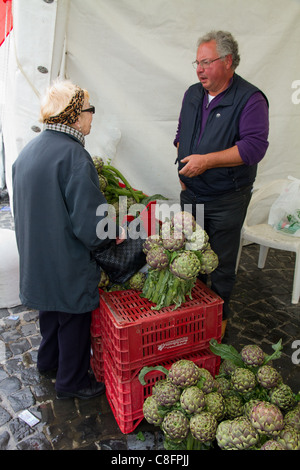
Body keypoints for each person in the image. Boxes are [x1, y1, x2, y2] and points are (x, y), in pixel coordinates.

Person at [12, 79, 125, 399]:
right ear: (74, 116)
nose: (93, 116)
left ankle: (48, 363)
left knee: (49, 311)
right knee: (74, 319)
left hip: (38, 255)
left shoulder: (30, 150)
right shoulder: (74, 157)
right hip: (66, 259)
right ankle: (71, 382)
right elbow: (90, 223)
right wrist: (112, 234)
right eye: (90, 110)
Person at [174, 31, 269, 338]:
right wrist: (182, 169)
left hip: (228, 198)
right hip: (192, 193)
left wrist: (208, 161)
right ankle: (193, 316)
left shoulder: (250, 99)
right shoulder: (192, 94)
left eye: (206, 62)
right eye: (197, 63)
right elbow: (181, 134)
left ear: (228, 62)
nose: (199, 69)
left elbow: (254, 148)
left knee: (222, 264)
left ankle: (220, 322)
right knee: (191, 257)